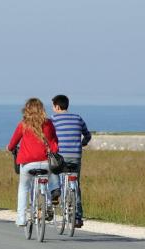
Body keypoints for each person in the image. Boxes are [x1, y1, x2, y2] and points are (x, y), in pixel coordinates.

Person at [6, 98, 59, 227]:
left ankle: (21, 219)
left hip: (28, 164)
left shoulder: (23, 124)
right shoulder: (48, 124)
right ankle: (47, 204)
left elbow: (13, 143)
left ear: (27, 110)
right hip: (46, 162)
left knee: (24, 188)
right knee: (48, 179)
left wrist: (9, 148)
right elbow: (55, 142)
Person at [50, 94, 92, 228]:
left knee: (53, 169)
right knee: (76, 184)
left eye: (53, 106)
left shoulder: (53, 119)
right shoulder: (78, 118)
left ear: (57, 106)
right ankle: (78, 217)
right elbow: (88, 135)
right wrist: (82, 143)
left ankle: (56, 190)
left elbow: (48, 136)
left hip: (61, 157)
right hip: (76, 156)